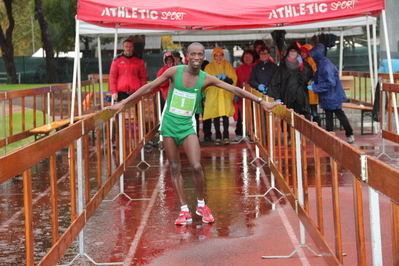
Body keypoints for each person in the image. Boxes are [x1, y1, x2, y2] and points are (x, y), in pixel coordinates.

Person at [107, 42, 280, 226]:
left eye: (200, 55)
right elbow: (149, 87)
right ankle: (183, 210)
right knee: (175, 167)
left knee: (196, 166)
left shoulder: (206, 78)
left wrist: (261, 101)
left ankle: (201, 204)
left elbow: (234, 89)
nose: (197, 58)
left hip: (187, 127)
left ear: (203, 58)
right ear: (187, 56)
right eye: (193, 54)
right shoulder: (174, 72)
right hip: (169, 126)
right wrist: (123, 103)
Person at [308, 43, 355, 144]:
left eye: (313, 55)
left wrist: (315, 86)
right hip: (327, 95)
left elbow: (330, 82)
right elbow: (320, 76)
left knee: (339, 114)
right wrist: (314, 81)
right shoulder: (321, 64)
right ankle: (331, 134)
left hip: (332, 95)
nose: (311, 57)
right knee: (329, 114)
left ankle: (349, 134)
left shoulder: (326, 65)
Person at [269, 42, 313, 120]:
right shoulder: (283, 65)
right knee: (289, 118)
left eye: (295, 51)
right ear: (288, 52)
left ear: (298, 53)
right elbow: (276, 81)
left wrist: (301, 65)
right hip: (287, 95)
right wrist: (277, 97)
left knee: (303, 118)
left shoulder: (304, 64)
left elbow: (306, 77)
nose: (293, 53)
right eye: (291, 51)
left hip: (301, 96)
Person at [203, 47, 238, 145]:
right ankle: (218, 136)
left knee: (225, 115)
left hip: (225, 93)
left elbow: (233, 79)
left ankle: (226, 136)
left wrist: (225, 78)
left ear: (223, 56)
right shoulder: (209, 67)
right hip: (214, 94)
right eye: (216, 55)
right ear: (213, 56)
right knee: (216, 116)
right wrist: (215, 79)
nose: (218, 57)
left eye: (220, 55)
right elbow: (205, 80)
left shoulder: (227, 65)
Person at [233, 49, 257, 142]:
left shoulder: (255, 68)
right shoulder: (238, 69)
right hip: (241, 95)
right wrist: (235, 93)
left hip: (253, 95)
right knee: (240, 115)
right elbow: (235, 81)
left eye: (250, 57)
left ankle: (252, 133)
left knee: (253, 114)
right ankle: (239, 133)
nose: (248, 59)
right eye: (246, 57)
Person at [300, 44, 321, 126]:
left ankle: (318, 127)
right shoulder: (304, 62)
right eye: (301, 51)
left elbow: (316, 74)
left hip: (312, 90)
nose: (302, 53)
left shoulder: (312, 62)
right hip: (306, 89)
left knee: (314, 111)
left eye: (303, 52)